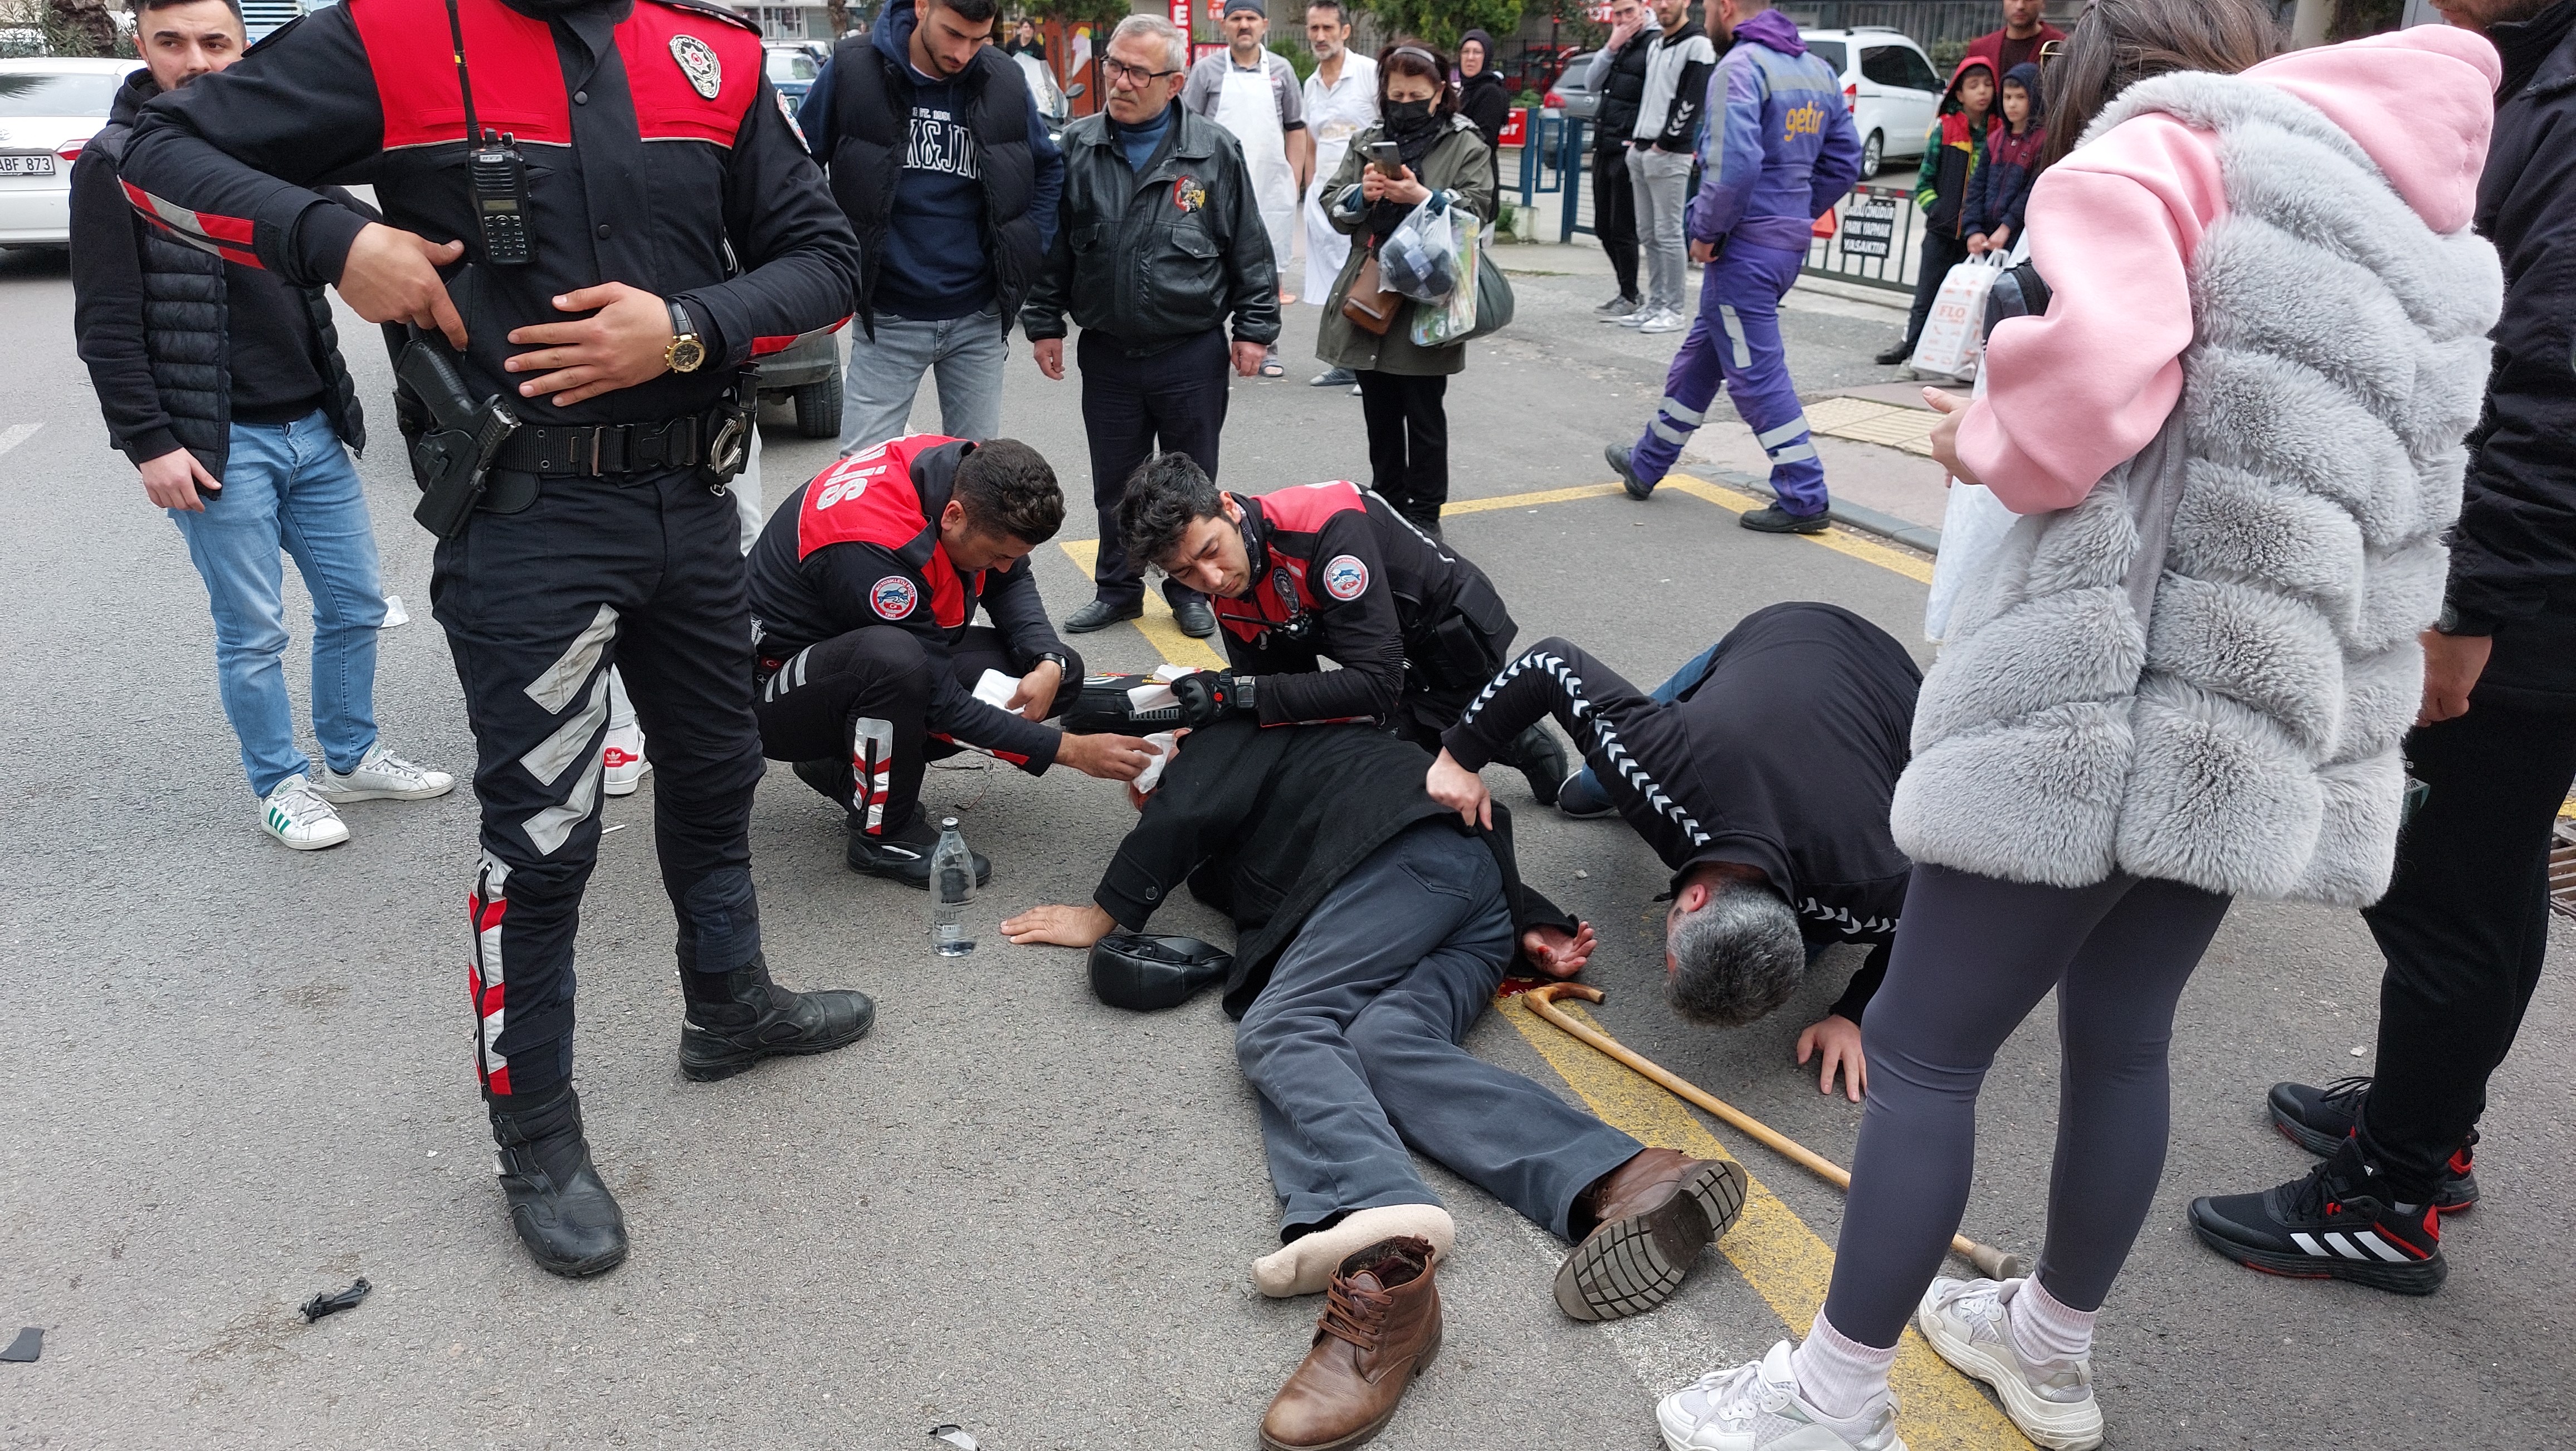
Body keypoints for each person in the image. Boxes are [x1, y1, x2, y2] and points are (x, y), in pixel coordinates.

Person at [1648, 7, 2502, 1449]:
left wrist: (1976, 426)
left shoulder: (2166, 152)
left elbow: (2069, 417)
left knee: (1924, 1047)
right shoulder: (2409, 224)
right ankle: (2049, 1347)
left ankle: (1833, 1396)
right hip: (2255, 713)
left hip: (2090, 693)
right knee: (2124, 1035)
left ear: (2110, 69)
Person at [118, 0, 874, 1279]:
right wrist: (333, 238)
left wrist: (685, 325)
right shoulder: (393, 36)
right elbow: (152, 163)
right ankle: (535, 1133)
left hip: (692, 507)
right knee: (542, 841)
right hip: (529, 521)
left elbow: (826, 258)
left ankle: (730, 1004)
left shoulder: (716, 55)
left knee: (714, 769)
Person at [999, 717, 1749, 1451]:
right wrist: (1535, 923)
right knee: (1380, 1046)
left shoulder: (1227, 733)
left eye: (1147, 773)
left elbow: (1195, 806)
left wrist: (1102, 916)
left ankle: (1379, 1226)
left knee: (1282, 1027)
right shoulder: (1269, 815)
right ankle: (1625, 1176)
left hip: (1411, 870)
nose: (1144, 790)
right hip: (1464, 899)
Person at [2188, 0, 2576, 1296]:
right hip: (2519, 578)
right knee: (2487, 871)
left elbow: (2547, 390)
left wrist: (2466, 616)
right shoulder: (2532, 74)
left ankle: (2390, 1192)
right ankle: (2427, 1121)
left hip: (2522, 592)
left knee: (2442, 883)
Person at [71, 0, 453, 853]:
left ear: (247, 50)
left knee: (354, 606)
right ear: (142, 48)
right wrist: (150, 443)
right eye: (172, 43)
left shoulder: (274, 149)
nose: (197, 62)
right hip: (215, 444)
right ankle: (280, 782)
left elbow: (361, 232)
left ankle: (350, 758)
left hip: (311, 426)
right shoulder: (117, 162)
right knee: (254, 630)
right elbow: (106, 321)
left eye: (217, 43)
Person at [1427, 604, 1919, 1103]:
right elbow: (1549, 664)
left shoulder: (1875, 883)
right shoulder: (1660, 769)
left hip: (1889, 696)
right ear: (1699, 899)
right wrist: (1458, 757)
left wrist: (1854, 1015)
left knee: (1804, 945)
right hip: (1788, 634)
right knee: (1587, 790)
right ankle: (1605, 774)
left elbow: (1933, 929)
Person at [745, 434, 1157, 884]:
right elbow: (940, 701)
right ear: (954, 516)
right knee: (896, 665)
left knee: (1060, 673)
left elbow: (1011, 580)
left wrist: (1047, 660)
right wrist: (1070, 751)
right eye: (997, 555)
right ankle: (883, 836)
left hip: (844, 659)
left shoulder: (968, 472)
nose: (1003, 566)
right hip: (773, 691)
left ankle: (844, 764)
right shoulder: (873, 549)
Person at [1023, 12, 1280, 641]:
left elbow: (1247, 246)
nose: (1121, 80)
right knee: (1115, 481)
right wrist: (1043, 322)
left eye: (1139, 71)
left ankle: (1189, 591)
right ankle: (1117, 590)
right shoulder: (1077, 147)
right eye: (1114, 64)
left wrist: (1254, 328)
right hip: (1109, 351)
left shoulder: (1213, 150)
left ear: (1175, 81)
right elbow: (1052, 249)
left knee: (1191, 482)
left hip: (1189, 351)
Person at [1116, 459, 1568, 797]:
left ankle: (1493, 724)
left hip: (1454, 647)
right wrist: (1203, 728)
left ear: (1229, 508)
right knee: (1298, 748)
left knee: (1365, 775)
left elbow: (1376, 685)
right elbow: (1274, 691)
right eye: (1185, 573)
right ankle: (1464, 725)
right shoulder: (1228, 578)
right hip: (1380, 652)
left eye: (1211, 550)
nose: (1212, 579)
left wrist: (1241, 694)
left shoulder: (1326, 530)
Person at [1603, 0, 1862, 533]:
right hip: (1783, 244)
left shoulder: (1740, 68)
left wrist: (1705, 231)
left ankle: (1805, 494)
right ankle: (1648, 462)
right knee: (1705, 356)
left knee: (1756, 374)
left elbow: (1732, 165)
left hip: (1741, 247)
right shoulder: (1818, 70)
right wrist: (1792, 213)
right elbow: (1844, 162)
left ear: (1726, 8)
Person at [794, 0, 1064, 455]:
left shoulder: (1003, 78)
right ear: (922, 7)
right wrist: (826, 254)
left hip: (978, 317)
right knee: (859, 476)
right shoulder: (853, 68)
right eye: (954, 34)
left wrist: (1028, 245)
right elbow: (797, 167)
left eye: (980, 40)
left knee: (975, 478)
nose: (964, 53)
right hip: (889, 316)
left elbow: (1047, 170)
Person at [1311, 41, 1495, 530]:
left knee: (1424, 408)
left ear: (1439, 94)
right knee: (1380, 406)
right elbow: (1333, 201)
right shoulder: (1369, 139)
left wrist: (1425, 197)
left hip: (1429, 293)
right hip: (1374, 285)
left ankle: (1426, 512)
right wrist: (1362, 193)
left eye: (1417, 94)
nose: (1406, 103)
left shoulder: (1465, 142)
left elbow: (1480, 208)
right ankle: (1389, 504)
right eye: (1397, 94)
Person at [1184, 0, 1310, 361]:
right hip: (1211, 185)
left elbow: (1296, 128)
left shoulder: (1282, 71)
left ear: (1264, 25)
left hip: (1269, 184)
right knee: (1203, 263)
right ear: (1224, 27)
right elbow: (1188, 127)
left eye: (1251, 19)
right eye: (1236, 19)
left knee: (1266, 268)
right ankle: (1205, 347)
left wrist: (1293, 177)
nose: (1244, 25)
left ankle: (1266, 346)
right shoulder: (1206, 71)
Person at [1877, 55, 1997, 366]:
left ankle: (1959, 359)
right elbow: (1924, 182)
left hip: (1979, 236)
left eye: (1987, 85)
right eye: (1973, 86)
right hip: (1941, 232)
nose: (1982, 92)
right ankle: (1912, 349)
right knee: (1926, 295)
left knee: (1970, 303)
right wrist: (1937, 211)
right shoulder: (1944, 129)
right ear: (1959, 94)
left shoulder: (1998, 133)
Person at [1619, 0, 1717, 334]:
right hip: (1643, 147)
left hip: (1669, 153)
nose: (1664, 5)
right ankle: (1655, 303)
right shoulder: (1657, 44)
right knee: (1648, 232)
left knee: (1669, 232)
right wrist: (1639, 142)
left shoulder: (1699, 45)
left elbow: (1691, 101)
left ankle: (1673, 309)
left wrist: (1665, 143)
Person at [1298, 0, 1377, 386]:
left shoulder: (1369, 74)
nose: (1320, 36)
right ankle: (1346, 363)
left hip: (1367, 195)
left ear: (1345, 31)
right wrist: (1312, 191)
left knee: (1367, 278)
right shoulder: (1310, 85)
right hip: (1327, 199)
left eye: (1328, 28)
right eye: (1314, 28)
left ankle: (1372, 371)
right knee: (1335, 282)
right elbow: (1312, 144)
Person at [1584, 0, 1660, 319]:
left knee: (1622, 227)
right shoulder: (1620, 46)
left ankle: (1631, 295)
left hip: (1630, 146)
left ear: (1644, 9)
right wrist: (1610, 47)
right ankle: (1627, 290)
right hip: (1606, 143)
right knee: (1603, 226)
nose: (1624, 19)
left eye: (1630, 11)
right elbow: (1591, 83)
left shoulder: (1656, 44)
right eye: (1618, 14)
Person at [1964, 61, 2045, 257]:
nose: (2012, 104)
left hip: (2020, 237)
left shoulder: (2043, 141)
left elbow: (2032, 191)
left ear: (2034, 99)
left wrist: (2008, 225)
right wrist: (1973, 229)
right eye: (2007, 97)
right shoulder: (1995, 140)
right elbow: (1977, 186)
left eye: (2020, 97)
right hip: (1987, 237)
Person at [1455, 26, 1512, 190]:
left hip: (1478, 178)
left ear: (1487, 57)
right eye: (1466, 52)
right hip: (1462, 173)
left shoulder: (1490, 92)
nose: (1470, 58)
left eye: (1477, 52)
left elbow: (1484, 139)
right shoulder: (1465, 90)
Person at [1964, 0, 2066, 80]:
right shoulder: (1980, 49)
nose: (2020, 6)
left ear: (2043, 3)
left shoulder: (2061, 46)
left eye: (2029, 0)